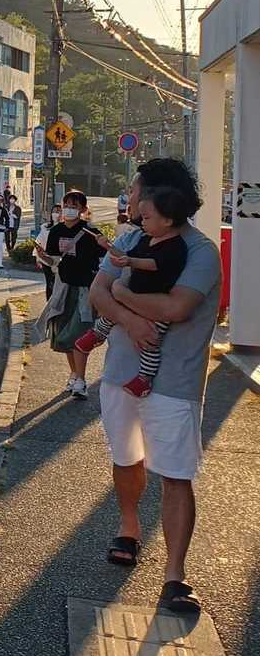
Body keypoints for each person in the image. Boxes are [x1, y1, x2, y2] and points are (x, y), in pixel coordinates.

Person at [86, 158, 220, 614]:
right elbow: (97, 292)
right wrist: (129, 319)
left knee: (176, 475)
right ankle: (129, 527)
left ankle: (175, 575)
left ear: (159, 198)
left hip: (175, 380)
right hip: (122, 371)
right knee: (126, 458)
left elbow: (177, 307)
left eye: (135, 190)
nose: (130, 198)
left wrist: (123, 296)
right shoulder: (129, 240)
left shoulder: (200, 251)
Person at [74, 188, 191, 398]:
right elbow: (125, 256)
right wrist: (108, 247)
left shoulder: (176, 247)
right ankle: (97, 334)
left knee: (150, 342)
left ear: (167, 220)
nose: (142, 222)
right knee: (110, 313)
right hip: (133, 295)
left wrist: (131, 261)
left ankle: (144, 378)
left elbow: (154, 264)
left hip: (157, 306)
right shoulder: (146, 239)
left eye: (147, 218)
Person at [35, 190, 106, 399]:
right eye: (66, 205)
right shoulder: (56, 231)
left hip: (85, 290)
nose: (68, 210)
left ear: (83, 209)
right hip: (63, 289)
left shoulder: (91, 232)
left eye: (74, 206)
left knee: (77, 334)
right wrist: (43, 257)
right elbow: (55, 262)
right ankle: (75, 374)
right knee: (64, 334)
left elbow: (104, 261)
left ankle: (81, 380)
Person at [34, 205, 61, 299]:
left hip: (59, 260)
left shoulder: (65, 228)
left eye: (59, 211)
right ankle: (49, 303)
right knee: (49, 283)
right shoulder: (45, 227)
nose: (56, 214)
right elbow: (39, 242)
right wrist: (38, 257)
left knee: (59, 285)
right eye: (54, 211)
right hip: (45, 259)